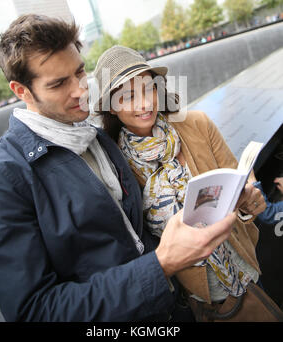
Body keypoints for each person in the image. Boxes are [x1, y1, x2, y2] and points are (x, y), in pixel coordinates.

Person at [0, 15, 237, 322]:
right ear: (21, 91)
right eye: (59, 83)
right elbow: (34, 312)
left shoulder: (98, 138)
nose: (80, 90)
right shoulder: (0, 177)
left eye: (79, 72)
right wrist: (160, 266)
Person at [94, 45, 269, 318]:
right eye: (128, 96)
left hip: (246, 263)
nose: (144, 103)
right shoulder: (116, 166)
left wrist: (250, 198)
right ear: (111, 108)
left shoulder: (196, 124)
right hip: (198, 295)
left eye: (147, 89)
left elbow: (238, 175)